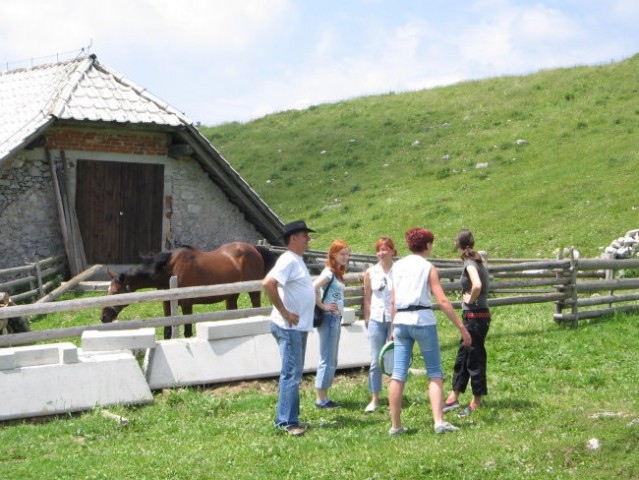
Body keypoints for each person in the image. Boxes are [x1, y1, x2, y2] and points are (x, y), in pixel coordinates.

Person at [388, 227, 472, 436]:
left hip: (401, 321)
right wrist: (461, 327)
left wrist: (392, 327)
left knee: (398, 375)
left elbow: (392, 300)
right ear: (426, 245)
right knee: (434, 372)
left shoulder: (396, 267)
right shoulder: (428, 267)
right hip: (423, 320)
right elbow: (442, 300)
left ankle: (396, 426)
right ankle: (438, 421)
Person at [262, 220, 317, 436]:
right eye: (305, 235)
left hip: (297, 326)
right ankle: (284, 422)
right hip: (288, 326)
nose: (308, 239)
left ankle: (291, 418)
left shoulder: (297, 260)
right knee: (291, 374)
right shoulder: (288, 260)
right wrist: (284, 312)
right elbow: (268, 283)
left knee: (295, 374)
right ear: (293, 238)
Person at [443, 229, 491, 417]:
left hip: (475, 316)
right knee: (463, 357)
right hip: (475, 316)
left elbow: (477, 285)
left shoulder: (470, 263)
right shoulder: (477, 260)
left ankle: (475, 402)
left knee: (474, 358)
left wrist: (470, 299)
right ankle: (453, 396)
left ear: (458, 243)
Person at [313, 239, 350, 409]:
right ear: (333, 255)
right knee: (327, 357)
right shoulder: (328, 273)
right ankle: (321, 399)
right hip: (328, 318)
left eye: (347, 253)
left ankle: (324, 396)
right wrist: (322, 305)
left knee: (332, 357)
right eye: (342, 253)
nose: (346, 257)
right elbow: (313, 287)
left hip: (335, 318)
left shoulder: (337, 273)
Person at [362, 236, 396, 413]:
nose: (382, 253)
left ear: (392, 251)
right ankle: (375, 397)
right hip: (376, 317)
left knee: (392, 359)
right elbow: (367, 297)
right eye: (379, 250)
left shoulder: (398, 271)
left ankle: (394, 396)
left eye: (385, 249)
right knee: (375, 359)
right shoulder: (370, 272)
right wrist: (367, 317)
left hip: (393, 319)